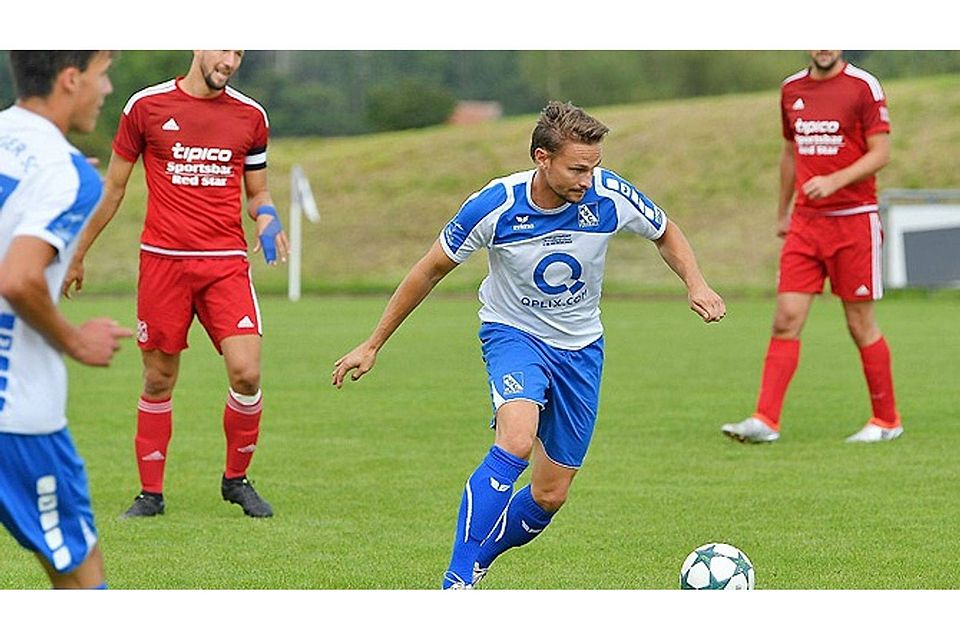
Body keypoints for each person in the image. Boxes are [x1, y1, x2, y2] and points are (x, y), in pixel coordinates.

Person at [332, 101, 726, 588]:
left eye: (594, 167)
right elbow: (429, 270)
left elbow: (665, 232)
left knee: (549, 495)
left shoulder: (609, 196)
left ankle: (480, 559)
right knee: (516, 440)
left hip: (581, 348)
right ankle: (456, 580)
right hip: (513, 334)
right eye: (577, 169)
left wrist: (696, 283)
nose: (588, 180)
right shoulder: (495, 205)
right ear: (542, 158)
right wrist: (373, 343)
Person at [62, 50, 289, 518]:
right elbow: (113, 188)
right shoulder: (145, 107)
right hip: (163, 264)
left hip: (225, 264)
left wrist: (267, 216)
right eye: (223, 48)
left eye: (239, 52)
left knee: (246, 372)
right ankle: (151, 494)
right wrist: (77, 252)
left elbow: (258, 191)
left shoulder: (251, 116)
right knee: (158, 378)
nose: (230, 60)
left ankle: (236, 480)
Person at [0, 50, 133, 588]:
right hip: (17, 418)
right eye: (103, 74)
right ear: (71, 79)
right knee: (80, 576)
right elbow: (18, 278)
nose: (107, 89)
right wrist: (77, 341)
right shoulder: (67, 173)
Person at [722, 50, 901, 444]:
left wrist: (835, 181)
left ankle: (887, 421)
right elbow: (790, 153)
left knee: (859, 324)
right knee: (786, 317)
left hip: (854, 220)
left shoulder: (864, 86)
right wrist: (782, 212)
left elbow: (882, 152)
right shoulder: (791, 89)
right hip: (805, 223)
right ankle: (765, 420)